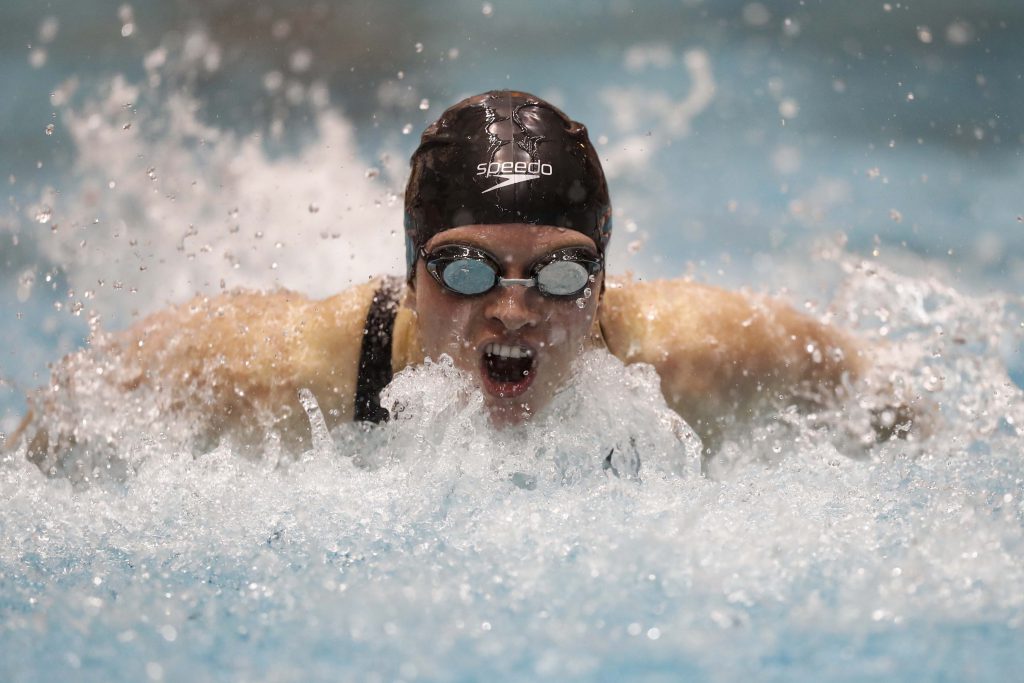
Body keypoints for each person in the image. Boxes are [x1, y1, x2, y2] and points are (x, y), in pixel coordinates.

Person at [11, 90, 899, 471]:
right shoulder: (281, 373)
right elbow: (67, 419)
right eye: (467, 268)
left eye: (559, 274)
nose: (513, 309)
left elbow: (886, 400)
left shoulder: (694, 355)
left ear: (602, 282)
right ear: (409, 274)